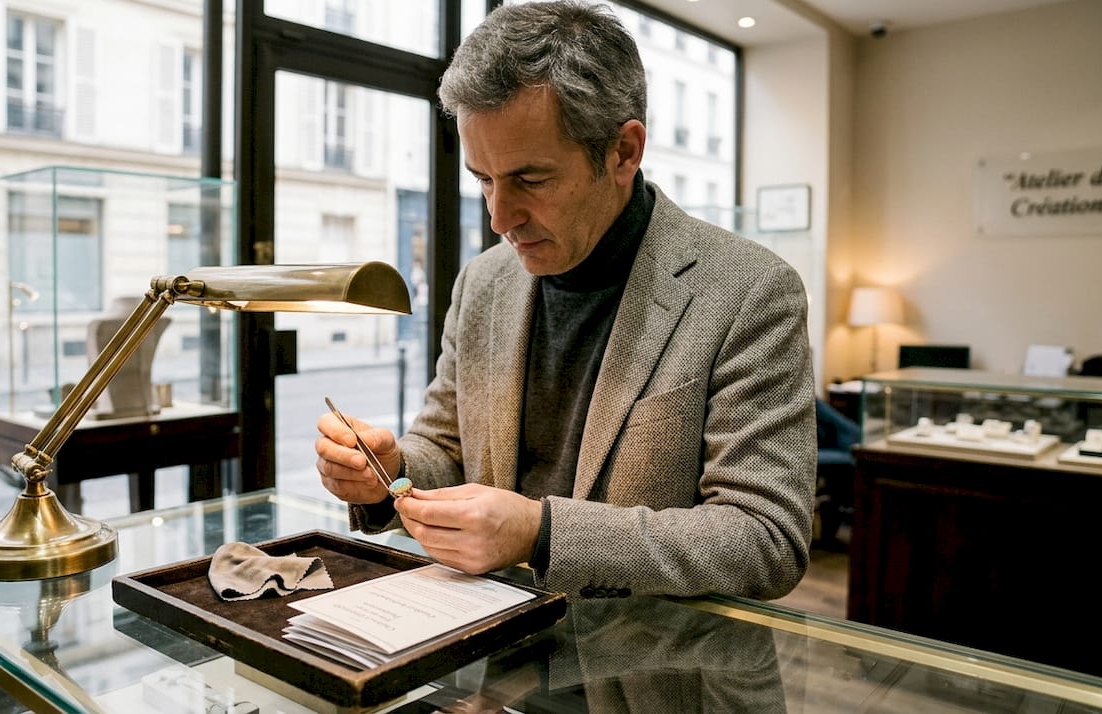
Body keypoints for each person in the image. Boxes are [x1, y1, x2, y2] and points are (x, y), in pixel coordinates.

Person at [315, 1, 815, 600]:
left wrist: (541, 533)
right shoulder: (482, 284)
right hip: (493, 662)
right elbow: (445, 448)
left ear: (624, 152)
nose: (500, 217)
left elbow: (767, 539)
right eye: (482, 179)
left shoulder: (749, 291)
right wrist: (388, 472)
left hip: (653, 675)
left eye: (531, 179)